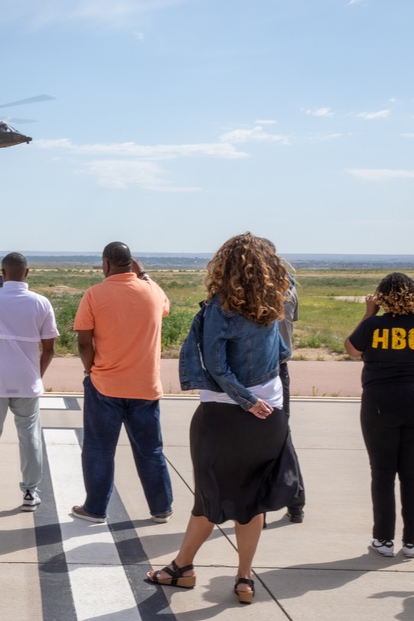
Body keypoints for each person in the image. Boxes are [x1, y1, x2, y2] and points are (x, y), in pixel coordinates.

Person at [147, 233, 302, 605]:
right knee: (252, 502)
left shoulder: (221, 308)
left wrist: (245, 400)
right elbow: (284, 353)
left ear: (225, 267)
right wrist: (261, 400)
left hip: (224, 415)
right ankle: (244, 579)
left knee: (210, 499)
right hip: (271, 416)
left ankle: (182, 568)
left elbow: (216, 367)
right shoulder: (274, 304)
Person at [71, 242, 173, 524]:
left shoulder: (94, 294)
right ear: (131, 263)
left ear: (105, 264)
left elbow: (83, 342)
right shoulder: (153, 291)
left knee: (99, 449)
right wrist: (145, 275)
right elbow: (166, 306)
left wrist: (90, 371)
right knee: (150, 450)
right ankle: (161, 507)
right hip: (145, 385)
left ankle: (95, 508)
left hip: (106, 383)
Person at [344, 272, 414, 559]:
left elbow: (351, 350)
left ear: (383, 296)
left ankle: (384, 540)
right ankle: (412, 541)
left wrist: (368, 314)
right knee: (413, 473)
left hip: (381, 399)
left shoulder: (374, 324)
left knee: (383, 473)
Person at [0, 252, 59, 513]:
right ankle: (31, 491)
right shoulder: (41, 303)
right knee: (30, 436)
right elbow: (49, 348)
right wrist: (36, 374)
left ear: (2, 273)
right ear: (28, 272)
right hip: (26, 381)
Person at [278, 273, 306, 523]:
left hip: (256, 370)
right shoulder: (289, 289)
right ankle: (296, 501)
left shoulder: (246, 290)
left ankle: (255, 510)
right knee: (282, 433)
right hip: (279, 367)